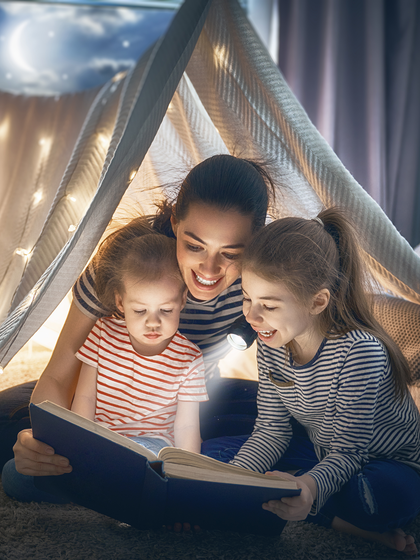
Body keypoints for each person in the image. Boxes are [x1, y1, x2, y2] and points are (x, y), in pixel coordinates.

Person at [2, 155, 276, 495]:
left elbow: (284, 396)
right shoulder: (126, 264)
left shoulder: (261, 281)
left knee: (283, 433)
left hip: (192, 406)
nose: (209, 269)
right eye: (194, 246)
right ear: (175, 221)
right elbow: (60, 374)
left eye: (231, 253)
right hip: (109, 404)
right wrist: (46, 441)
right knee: (13, 438)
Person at [203, 208, 420, 555]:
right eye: (247, 298)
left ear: (317, 301)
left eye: (269, 305)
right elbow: (272, 430)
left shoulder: (359, 354)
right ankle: (303, 497)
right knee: (213, 459)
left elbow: (350, 453)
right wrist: (235, 482)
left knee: (374, 500)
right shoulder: (271, 340)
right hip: (319, 449)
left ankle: (319, 506)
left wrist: (307, 486)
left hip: (385, 463)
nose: (252, 316)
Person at [2, 219, 208, 502]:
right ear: (121, 303)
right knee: (15, 477)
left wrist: (188, 479)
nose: (153, 322)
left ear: (183, 300)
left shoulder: (189, 358)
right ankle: (114, 492)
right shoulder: (102, 334)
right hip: (101, 442)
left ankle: (114, 492)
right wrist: (76, 446)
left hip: (151, 449)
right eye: (140, 310)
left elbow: (186, 428)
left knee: (147, 463)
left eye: (165, 309)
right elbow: (84, 399)